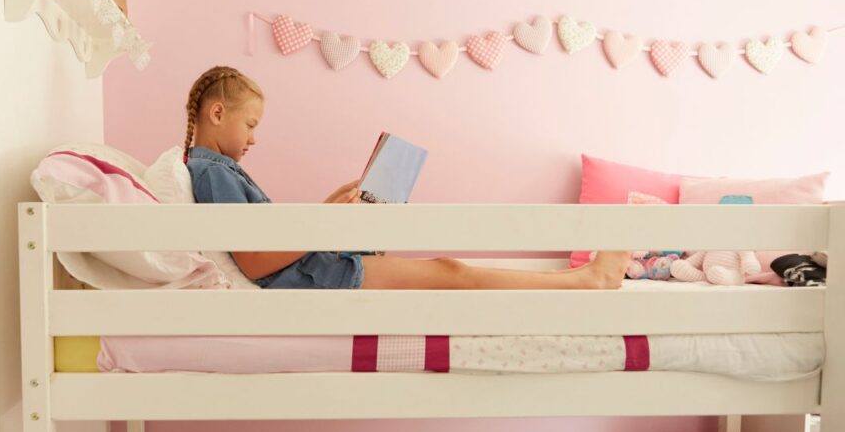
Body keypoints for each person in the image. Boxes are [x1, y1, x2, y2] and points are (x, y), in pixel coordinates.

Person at [182, 66, 629, 290]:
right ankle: (586, 283)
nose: (253, 138)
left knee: (448, 268)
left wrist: (329, 210)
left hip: (315, 265)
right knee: (449, 270)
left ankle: (584, 281)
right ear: (218, 113)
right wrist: (324, 221)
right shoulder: (211, 170)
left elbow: (263, 246)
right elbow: (256, 262)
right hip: (318, 276)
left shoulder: (218, 171)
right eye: (252, 124)